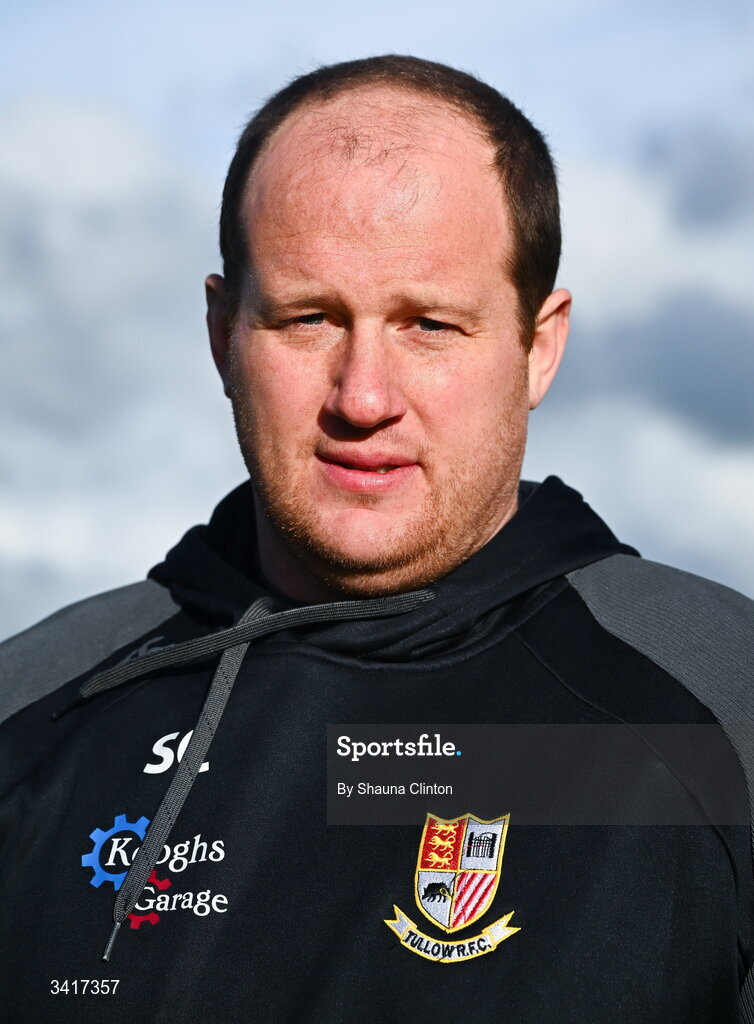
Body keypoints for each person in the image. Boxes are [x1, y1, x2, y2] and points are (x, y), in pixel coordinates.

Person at [0, 55, 751, 1024]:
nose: (363, 397)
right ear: (223, 333)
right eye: (308, 318)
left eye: (429, 324)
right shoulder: (32, 710)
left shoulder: (723, 711)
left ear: (539, 345)